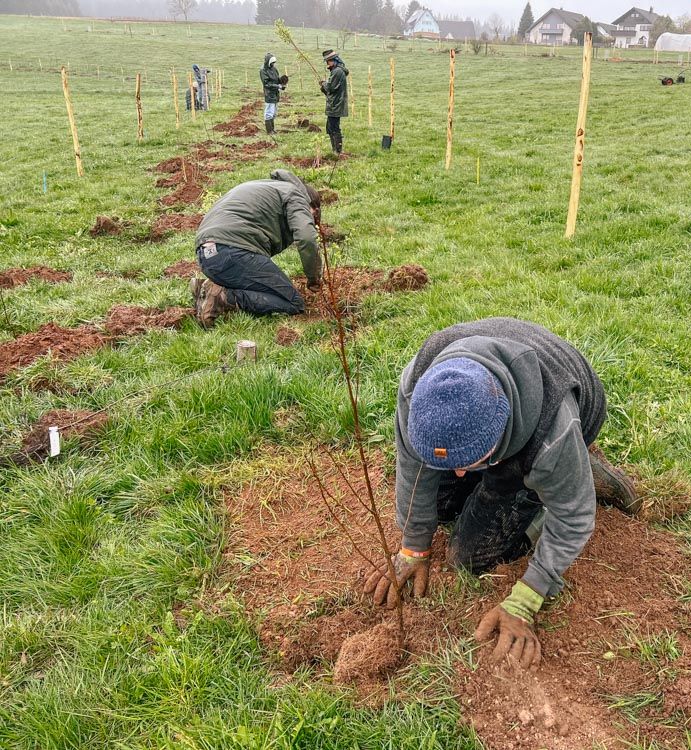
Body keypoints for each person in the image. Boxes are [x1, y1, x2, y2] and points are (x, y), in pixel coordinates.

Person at [364, 318, 638, 669]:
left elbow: (573, 518)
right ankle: (511, 469)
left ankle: (581, 473)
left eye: (470, 462)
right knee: (443, 506)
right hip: (500, 395)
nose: (458, 473)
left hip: (561, 414)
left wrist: (528, 596)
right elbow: (413, 465)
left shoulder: (551, 432)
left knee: (468, 557)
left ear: (499, 434)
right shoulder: (419, 390)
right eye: (454, 464)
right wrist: (414, 545)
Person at [190, 169, 323, 327]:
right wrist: (314, 277)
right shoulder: (297, 196)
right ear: (311, 206)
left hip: (207, 256)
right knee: (293, 302)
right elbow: (306, 238)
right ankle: (221, 297)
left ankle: (206, 289)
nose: (313, 220)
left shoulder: (268, 187)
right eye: (313, 215)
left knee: (262, 286)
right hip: (232, 250)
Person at [320, 50, 349, 156]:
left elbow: (331, 88)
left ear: (334, 60)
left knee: (334, 127)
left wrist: (323, 84)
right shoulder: (336, 71)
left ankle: (337, 151)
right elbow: (331, 89)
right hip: (335, 103)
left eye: (328, 61)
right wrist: (324, 86)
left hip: (336, 104)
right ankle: (335, 150)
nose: (327, 64)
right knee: (330, 127)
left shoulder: (337, 72)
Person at [260, 52, 284, 135]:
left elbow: (277, 79)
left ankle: (272, 130)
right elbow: (266, 84)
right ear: (268, 62)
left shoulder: (273, 69)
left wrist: (282, 81)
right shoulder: (263, 70)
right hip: (269, 94)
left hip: (275, 93)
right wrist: (278, 86)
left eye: (274, 63)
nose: (273, 64)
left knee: (274, 113)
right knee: (269, 112)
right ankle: (269, 131)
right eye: (272, 62)